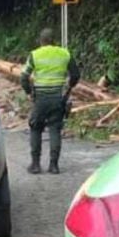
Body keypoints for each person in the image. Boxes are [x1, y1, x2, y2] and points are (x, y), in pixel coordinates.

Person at [20, 28, 80, 174]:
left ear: (41, 41)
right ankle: (54, 165)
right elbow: (76, 74)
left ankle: (35, 164)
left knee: (36, 127)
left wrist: (28, 92)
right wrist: (68, 89)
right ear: (54, 41)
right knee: (55, 129)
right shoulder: (64, 54)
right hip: (57, 99)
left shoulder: (35, 55)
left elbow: (24, 76)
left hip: (40, 98)